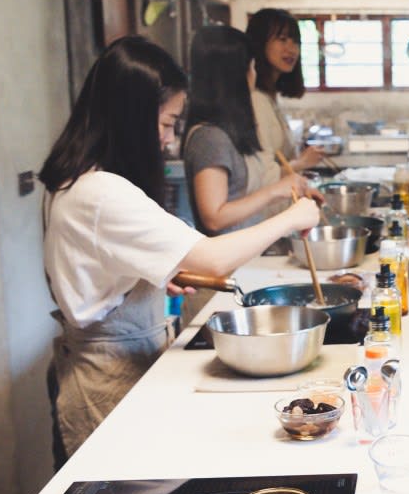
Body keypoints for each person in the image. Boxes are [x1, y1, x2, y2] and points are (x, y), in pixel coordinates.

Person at [39, 36, 320, 467]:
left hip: (119, 359)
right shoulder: (99, 192)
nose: (169, 139)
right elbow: (210, 256)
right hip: (107, 373)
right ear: (131, 116)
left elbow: (102, 265)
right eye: (166, 122)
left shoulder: (80, 180)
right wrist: (292, 216)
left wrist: (152, 271)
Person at [183, 25, 317, 236]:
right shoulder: (209, 138)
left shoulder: (230, 131)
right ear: (236, 74)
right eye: (251, 67)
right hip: (230, 262)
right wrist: (276, 190)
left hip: (248, 254)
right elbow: (214, 218)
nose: (254, 74)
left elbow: (248, 193)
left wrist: (293, 189)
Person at [245, 8, 326, 186]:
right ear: (260, 43)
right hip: (268, 210)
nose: (291, 49)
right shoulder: (255, 100)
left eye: (295, 41)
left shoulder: (270, 97)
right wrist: (302, 163)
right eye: (282, 39)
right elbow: (260, 176)